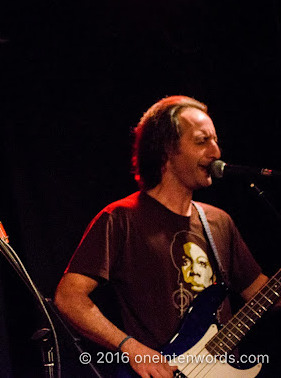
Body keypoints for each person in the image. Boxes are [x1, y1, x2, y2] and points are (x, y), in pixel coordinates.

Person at [54, 95, 276, 377]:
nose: (216, 152)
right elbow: (69, 297)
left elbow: (263, 295)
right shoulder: (121, 218)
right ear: (165, 151)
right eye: (201, 141)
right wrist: (130, 347)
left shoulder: (219, 221)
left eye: (215, 141)